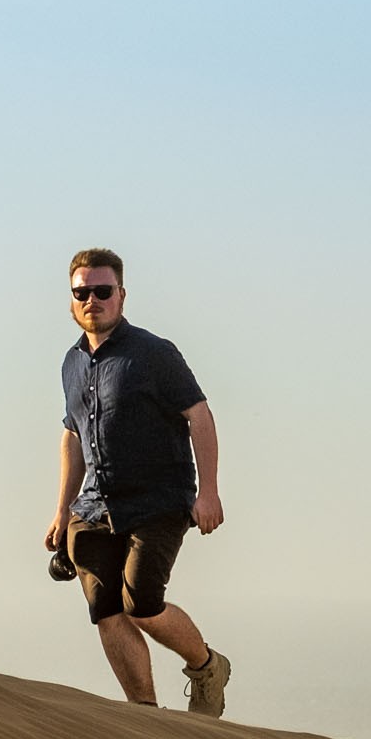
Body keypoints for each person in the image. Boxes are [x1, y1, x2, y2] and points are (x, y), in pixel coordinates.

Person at [45, 248, 233, 715]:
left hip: (158, 503)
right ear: (71, 300)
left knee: (141, 603)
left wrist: (208, 491)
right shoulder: (71, 363)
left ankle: (207, 666)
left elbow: (200, 417)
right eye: (82, 293)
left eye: (102, 291)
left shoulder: (154, 354)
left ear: (121, 296)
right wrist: (61, 509)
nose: (92, 300)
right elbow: (72, 436)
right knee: (105, 612)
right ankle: (145, 718)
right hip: (91, 511)